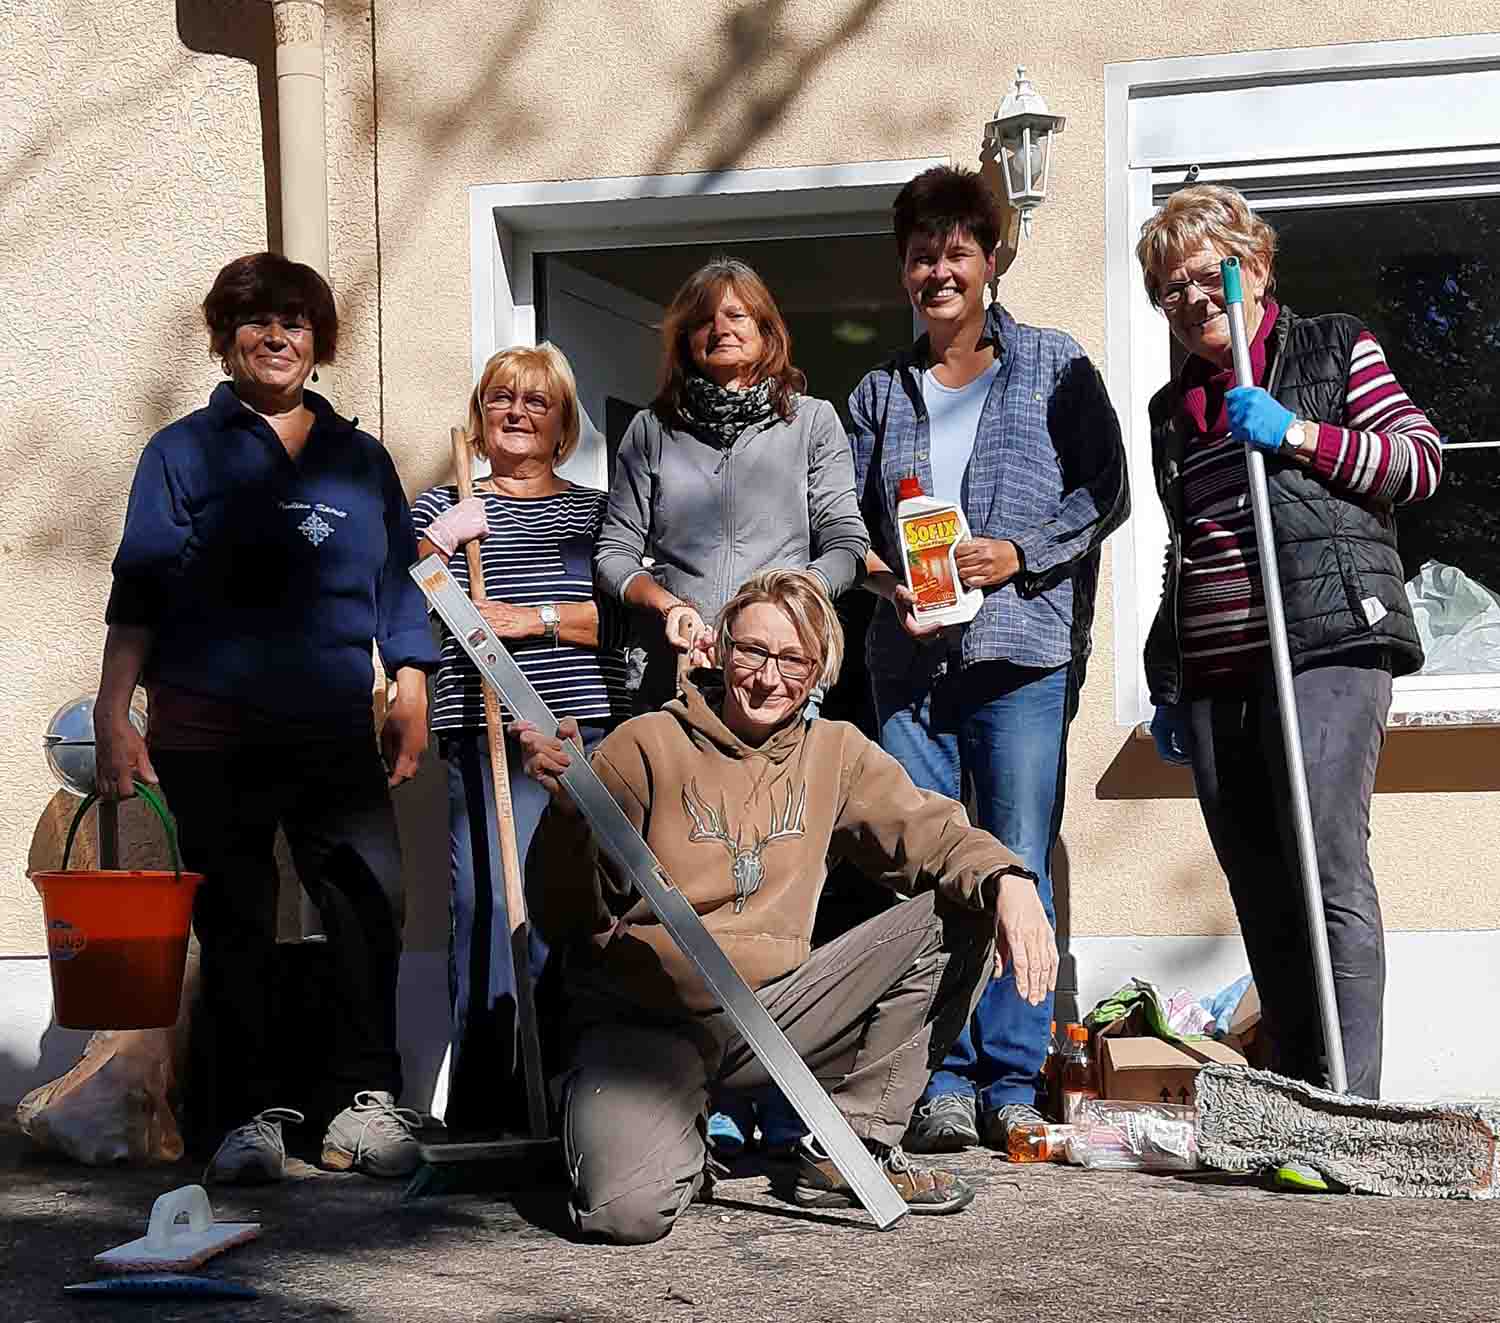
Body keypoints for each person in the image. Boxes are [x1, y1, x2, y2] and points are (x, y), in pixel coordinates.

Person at [513, 569, 1057, 1243]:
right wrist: (569, 812)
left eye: (792, 659)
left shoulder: (836, 751)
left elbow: (931, 831)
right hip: (651, 1023)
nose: (768, 677)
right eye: (752, 651)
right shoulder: (645, 743)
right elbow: (563, 918)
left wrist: (1010, 878)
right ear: (719, 649)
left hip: (776, 1012)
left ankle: (850, 1148)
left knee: (966, 902)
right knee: (626, 1210)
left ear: (818, 672)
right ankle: (645, 1126)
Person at [94, 252, 439, 1183]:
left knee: (369, 902)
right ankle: (246, 1117)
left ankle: (362, 1104)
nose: (278, 335)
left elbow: (400, 582)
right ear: (223, 339)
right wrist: (113, 707)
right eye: (257, 321)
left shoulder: (359, 460)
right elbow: (140, 589)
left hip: (333, 730)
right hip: (208, 732)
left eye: (296, 321)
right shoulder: (180, 452)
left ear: (319, 343)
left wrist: (410, 685)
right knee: (237, 917)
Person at [1136, 185, 1442, 1100]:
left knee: (1324, 865)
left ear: (1254, 266)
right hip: (1219, 665)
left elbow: (1418, 461)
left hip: (1327, 643)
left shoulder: (1332, 346)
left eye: (1207, 276)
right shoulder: (1171, 410)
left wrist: (1295, 432)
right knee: (1261, 885)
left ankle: (1351, 1102)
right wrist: (1165, 673)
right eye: (1169, 289)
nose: (1192, 301)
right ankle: (1303, 1090)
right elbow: (1188, 545)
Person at [849, 166, 1129, 1153]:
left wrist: (1020, 552)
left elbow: (1105, 491)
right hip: (911, 671)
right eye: (921, 254)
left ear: (992, 260)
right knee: (928, 864)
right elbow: (846, 529)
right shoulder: (879, 392)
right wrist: (891, 586)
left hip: (1020, 655)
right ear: (905, 271)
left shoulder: (1055, 364)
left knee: (1014, 857)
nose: (938, 269)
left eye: (956, 251)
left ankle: (1011, 1077)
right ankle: (941, 1078)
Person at [410, 343, 630, 1132]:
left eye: (537, 402)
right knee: (486, 904)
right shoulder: (441, 507)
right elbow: (403, 604)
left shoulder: (596, 511)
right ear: (480, 412)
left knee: (566, 905)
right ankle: (481, 1107)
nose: (517, 412)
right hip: (481, 730)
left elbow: (620, 616)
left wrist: (527, 619)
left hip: (575, 729)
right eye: (502, 397)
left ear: (563, 422)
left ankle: (567, 1098)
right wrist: (437, 546)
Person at [594, 257, 869, 712]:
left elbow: (847, 543)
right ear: (686, 341)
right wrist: (669, 607)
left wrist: (791, 600)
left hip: (778, 670)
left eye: (735, 315)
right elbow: (613, 556)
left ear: (767, 332)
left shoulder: (812, 422)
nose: (719, 329)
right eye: (702, 321)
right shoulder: (651, 429)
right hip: (675, 673)